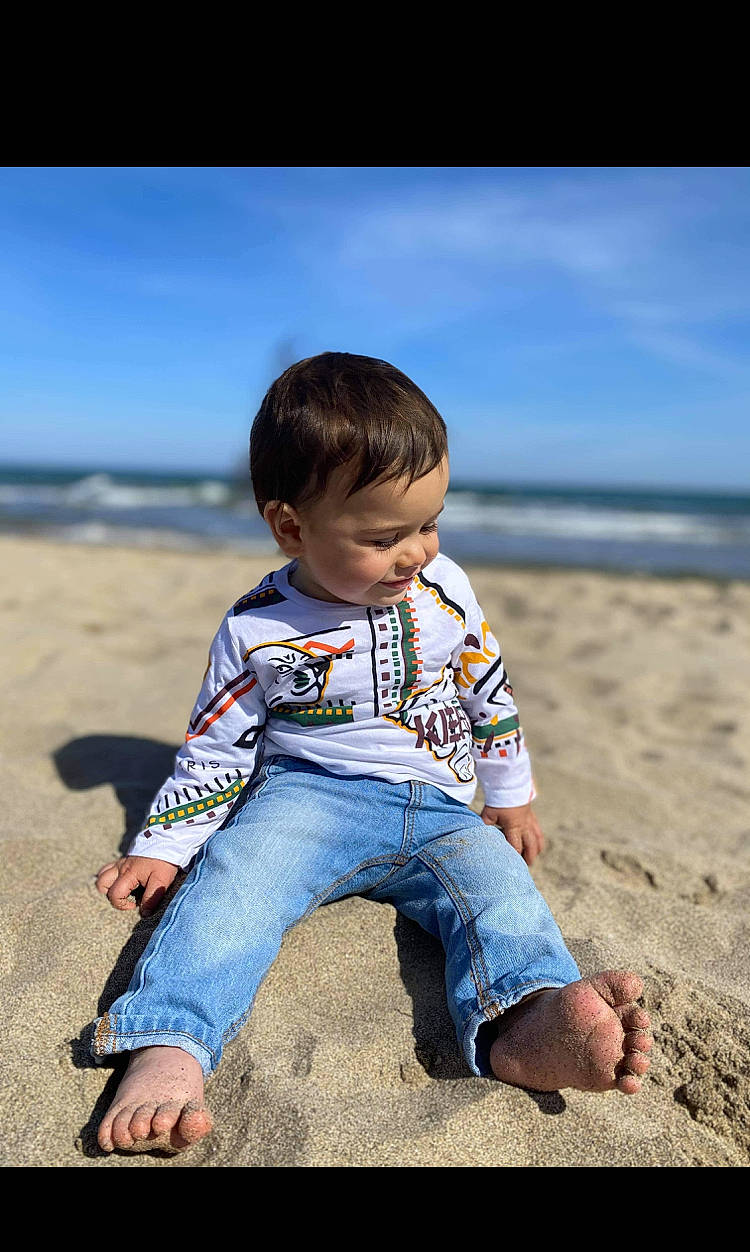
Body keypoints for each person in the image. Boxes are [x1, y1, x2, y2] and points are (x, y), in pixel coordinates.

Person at [92, 352, 652, 1154]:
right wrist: (165, 843)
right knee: (232, 889)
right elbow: (216, 746)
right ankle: (171, 1046)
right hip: (306, 797)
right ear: (292, 526)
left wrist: (511, 793)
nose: (416, 552)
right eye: (385, 536)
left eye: (429, 523)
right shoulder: (258, 627)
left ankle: (526, 1024)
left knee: (501, 894)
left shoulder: (445, 587)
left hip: (439, 806)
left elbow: (485, 689)